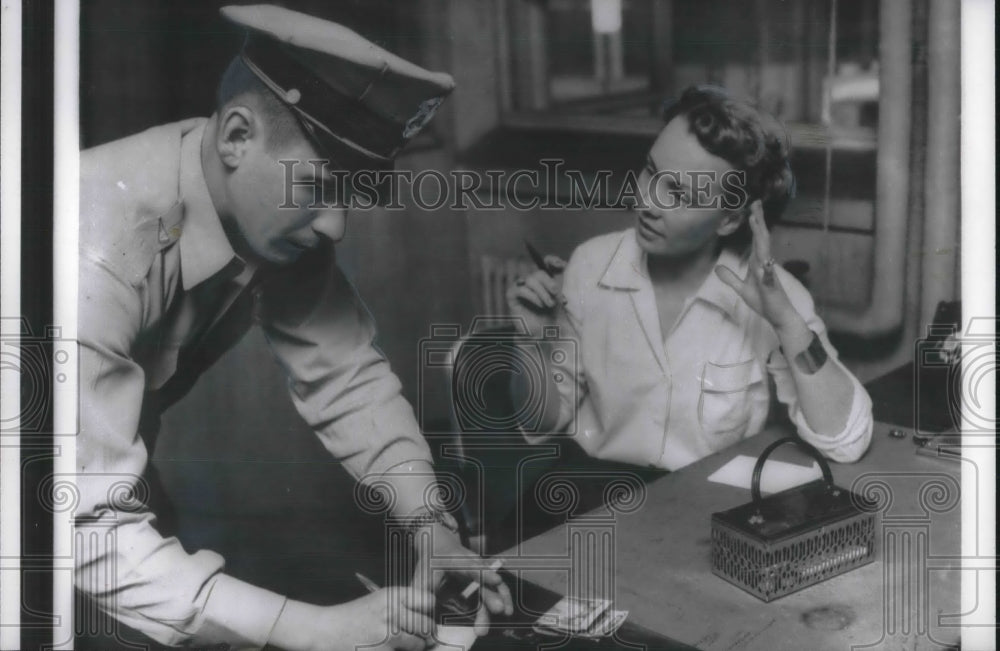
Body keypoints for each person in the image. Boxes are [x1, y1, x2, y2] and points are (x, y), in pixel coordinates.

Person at [77, 5, 510, 650]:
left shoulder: (268, 216)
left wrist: (430, 525)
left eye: (352, 195)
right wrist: (312, 628)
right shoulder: (92, 246)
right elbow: (82, 529)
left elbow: (344, 372)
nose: (336, 226)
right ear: (237, 138)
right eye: (320, 187)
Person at [507, 85, 873, 472]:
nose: (647, 201)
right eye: (651, 171)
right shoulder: (590, 265)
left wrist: (786, 322)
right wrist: (530, 344)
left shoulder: (772, 296)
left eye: (678, 194)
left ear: (730, 219)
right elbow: (540, 422)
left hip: (701, 507)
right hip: (595, 496)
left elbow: (847, 440)